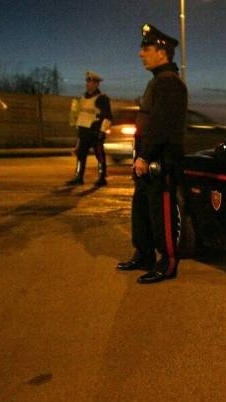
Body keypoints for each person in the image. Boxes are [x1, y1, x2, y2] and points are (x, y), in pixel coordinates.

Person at [116, 24, 188, 284]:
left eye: (145, 49)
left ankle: (168, 263)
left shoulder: (169, 83)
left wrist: (145, 156)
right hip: (149, 157)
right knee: (143, 210)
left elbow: (160, 125)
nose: (140, 54)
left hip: (161, 159)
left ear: (162, 52)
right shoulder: (158, 81)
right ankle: (144, 254)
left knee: (162, 213)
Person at [66, 71, 112, 186]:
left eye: (91, 82)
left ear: (97, 84)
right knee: (81, 155)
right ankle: (78, 177)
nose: (88, 84)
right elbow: (80, 115)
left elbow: (108, 116)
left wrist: (102, 130)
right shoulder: (82, 98)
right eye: (87, 81)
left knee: (99, 155)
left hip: (95, 131)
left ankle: (102, 177)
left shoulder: (102, 98)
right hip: (83, 131)